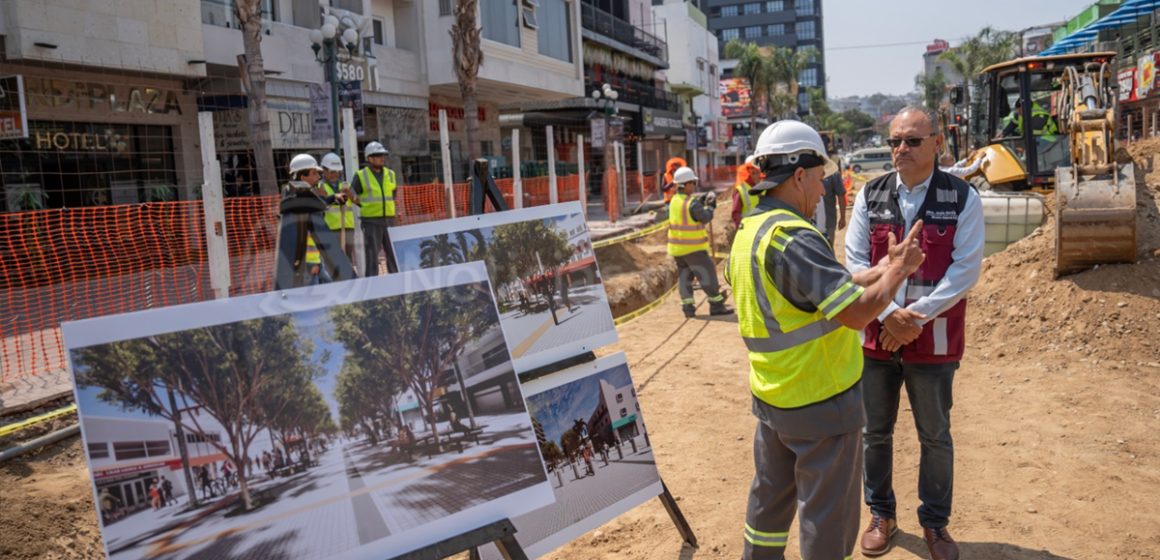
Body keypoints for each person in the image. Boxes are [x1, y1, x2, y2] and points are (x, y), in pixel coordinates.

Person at [727, 119, 928, 560]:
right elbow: (855, 313)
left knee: (769, 502)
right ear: (799, 175)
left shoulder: (752, 234)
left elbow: (814, 287)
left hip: (774, 398)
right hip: (821, 400)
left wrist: (879, 269)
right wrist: (899, 271)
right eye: (820, 179)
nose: (823, 191)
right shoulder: (795, 236)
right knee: (827, 519)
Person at [845, 107, 984, 560]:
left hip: (935, 338)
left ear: (937, 144)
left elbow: (964, 270)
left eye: (912, 141)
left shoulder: (962, 197)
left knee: (935, 434)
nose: (900, 149)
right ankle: (881, 514)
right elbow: (854, 263)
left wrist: (912, 318)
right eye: (894, 142)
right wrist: (887, 316)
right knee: (875, 432)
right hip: (876, 338)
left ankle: (935, 524)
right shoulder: (869, 194)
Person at [666, 166, 732, 318]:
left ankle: (688, 308)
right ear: (687, 184)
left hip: (678, 248)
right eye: (693, 183)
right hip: (693, 248)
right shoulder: (691, 203)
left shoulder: (675, 200)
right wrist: (710, 206)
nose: (694, 186)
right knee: (707, 274)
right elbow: (704, 217)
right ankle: (716, 305)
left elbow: (689, 211)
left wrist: (701, 201)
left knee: (685, 277)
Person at [351, 141, 399, 275]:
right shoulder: (361, 175)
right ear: (369, 158)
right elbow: (352, 194)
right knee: (372, 256)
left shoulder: (391, 174)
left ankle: (397, 284)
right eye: (378, 155)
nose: (381, 158)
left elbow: (393, 193)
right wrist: (363, 205)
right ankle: (372, 287)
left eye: (382, 155)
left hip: (389, 220)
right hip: (371, 221)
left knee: (394, 254)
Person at [319, 152, 358, 268]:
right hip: (330, 228)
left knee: (347, 257)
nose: (334, 174)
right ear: (324, 171)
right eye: (331, 171)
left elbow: (358, 202)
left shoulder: (346, 185)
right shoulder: (320, 186)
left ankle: (348, 279)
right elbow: (320, 204)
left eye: (336, 171)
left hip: (348, 227)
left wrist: (350, 195)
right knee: (332, 258)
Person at [731, 155, 762, 229]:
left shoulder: (764, 186)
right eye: (753, 171)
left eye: (757, 171)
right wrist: (741, 228)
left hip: (763, 227)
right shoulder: (741, 189)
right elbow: (736, 213)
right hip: (749, 229)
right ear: (748, 171)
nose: (756, 173)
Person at [821, 158, 847, 246]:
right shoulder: (806, 172)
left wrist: (843, 217)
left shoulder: (833, 174)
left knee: (828, 248)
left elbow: (841, 195)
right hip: (810, 220)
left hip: (828, 220)